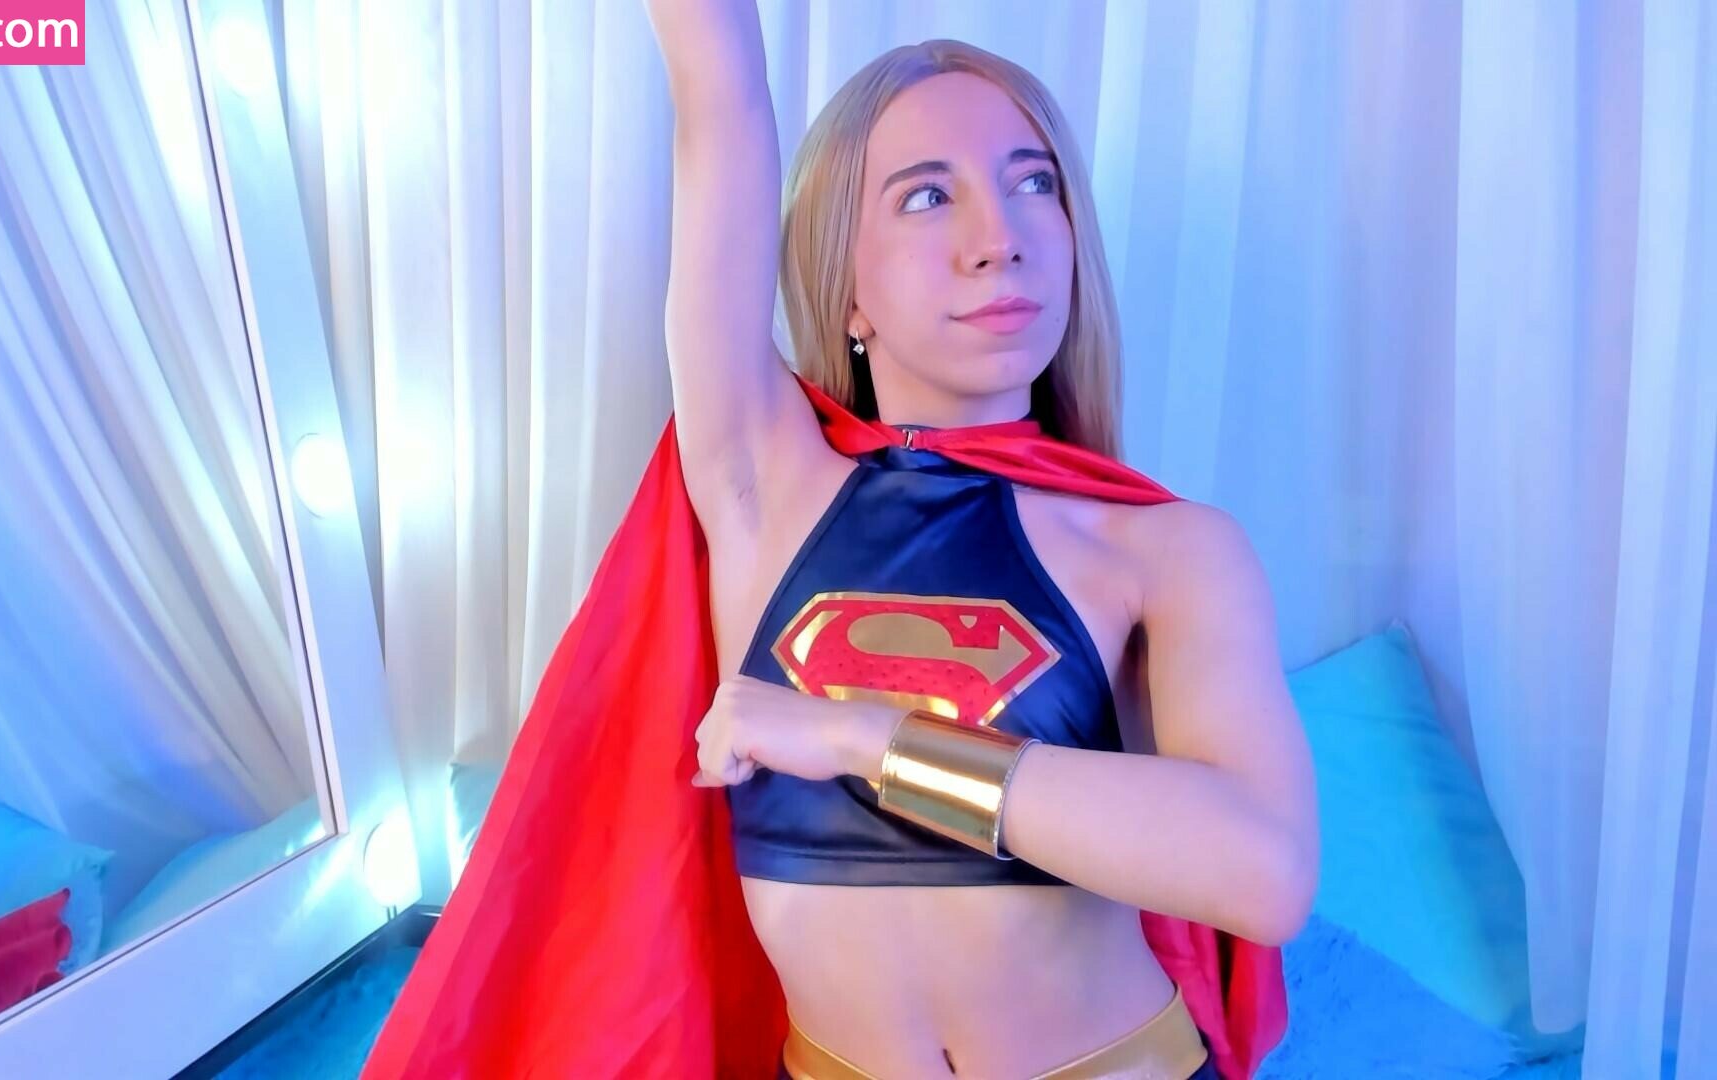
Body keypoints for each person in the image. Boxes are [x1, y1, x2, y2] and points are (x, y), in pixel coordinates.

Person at [360, 4, 1316, 1078]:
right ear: (845, 288)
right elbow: (717, 88)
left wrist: (867, 739)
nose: (999, 237)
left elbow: (1263, 870)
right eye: (927, 195)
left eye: (1034, 182)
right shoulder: (763, 483)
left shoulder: (1169, 551)